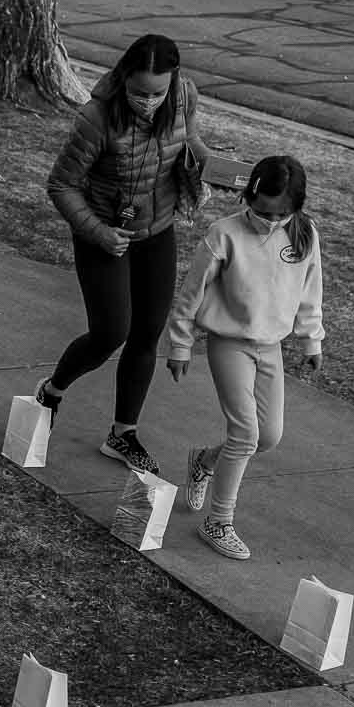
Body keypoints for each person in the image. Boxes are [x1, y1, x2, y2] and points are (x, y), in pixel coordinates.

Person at [36, 34, 209, 475]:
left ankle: (122, 433)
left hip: (158, 229)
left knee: (146, 334)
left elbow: (190, 139)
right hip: (104, 232)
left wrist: (201, 171)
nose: (148, 101)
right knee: (110, 332)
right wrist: (98, 232)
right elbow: (61, 185)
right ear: (123, 78)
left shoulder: (183, 94)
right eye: (139, 92)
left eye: (158, 92)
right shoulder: (97, 117)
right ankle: (52, 391)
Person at [165, 155, 324, 560]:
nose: (271, 220)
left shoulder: (304, 236)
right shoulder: (224, 234)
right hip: (228, 343)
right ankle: (219, 521)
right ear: (250, 194)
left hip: (270, 347)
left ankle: (204, 462)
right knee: (246, 434)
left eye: (282, 214)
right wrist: (181, 344)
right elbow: (191, 294)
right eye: (263, 211)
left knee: (267, 437)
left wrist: (311, 341)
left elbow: (309, 292)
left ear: (296, 208)